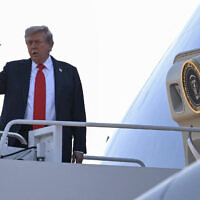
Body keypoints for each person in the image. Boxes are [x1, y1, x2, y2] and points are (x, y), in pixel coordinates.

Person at [0, 26, 86, 163]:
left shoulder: (69, 73)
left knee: (54, 182)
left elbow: (78, 111)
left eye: (37, 42)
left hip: (55, 136)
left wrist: (79, 147)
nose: (33, 46)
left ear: (50, 45)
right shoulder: (13, 69)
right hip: (17, 136)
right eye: (29, 42)